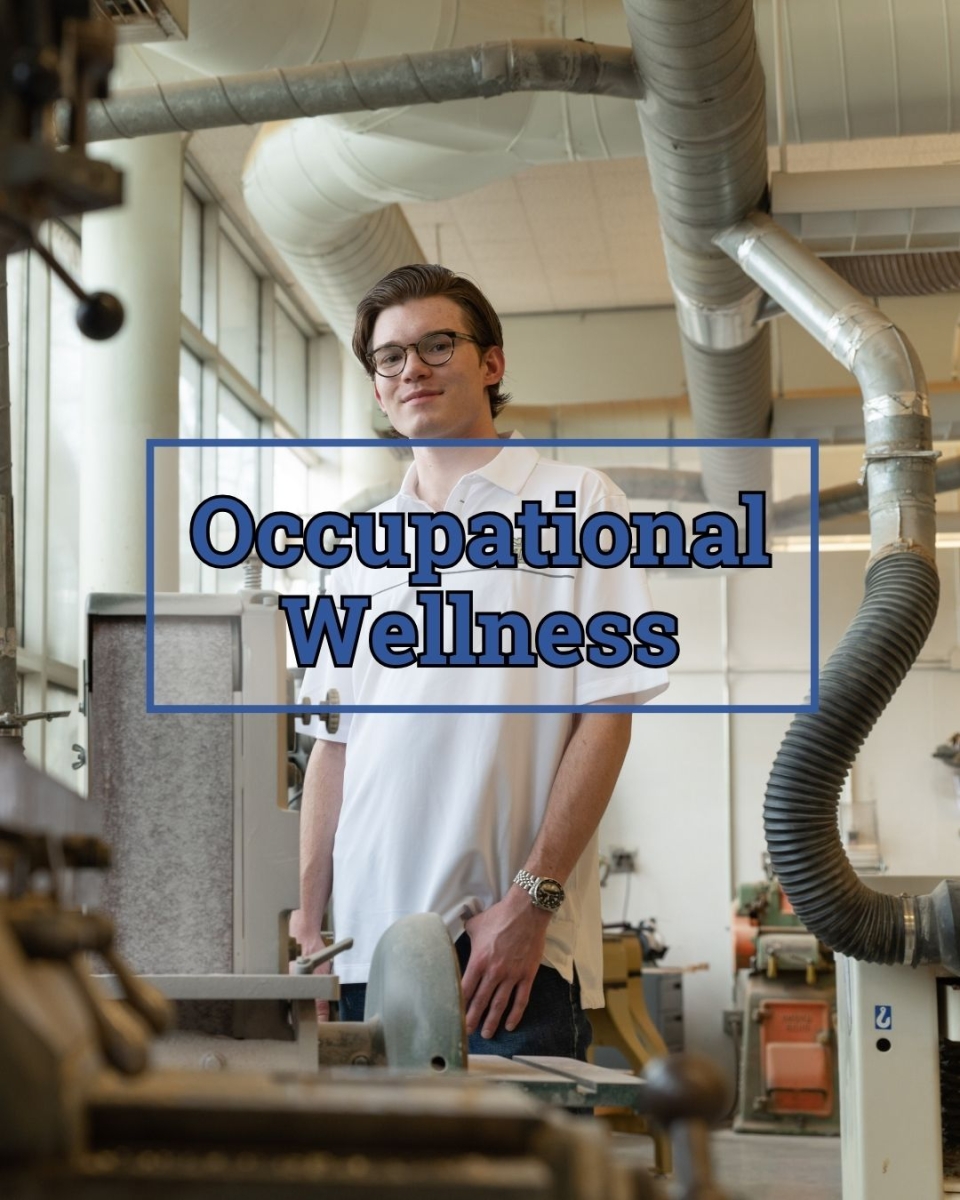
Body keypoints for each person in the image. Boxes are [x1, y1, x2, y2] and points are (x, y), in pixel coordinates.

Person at [293, 263, 668, 1059]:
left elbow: (607, 716)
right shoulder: (356, 550)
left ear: (490, 364)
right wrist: (307, 919)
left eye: (437, 344)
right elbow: (334, 743)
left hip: (498, 954)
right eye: (389, 357)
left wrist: (531, 905)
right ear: (376, 389)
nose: (412, 369)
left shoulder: (577, 503)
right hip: (361, 953)